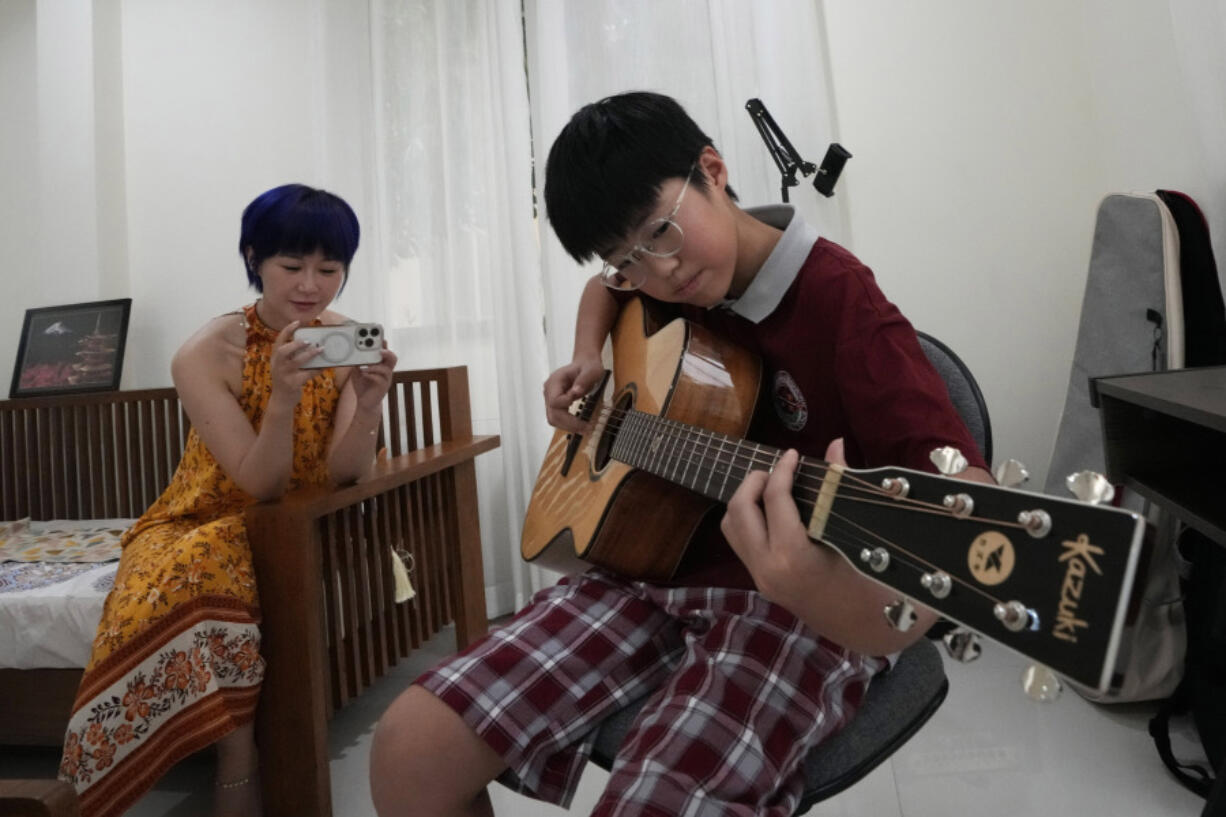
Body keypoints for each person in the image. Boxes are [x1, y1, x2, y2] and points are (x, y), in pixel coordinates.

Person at [369, 91, 993, 816]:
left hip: (796, 603)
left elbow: (966, 495)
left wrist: (821, 586)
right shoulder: (668, 277)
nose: (658, 273)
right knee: (409, 748)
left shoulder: (842, 299)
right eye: (628, 258)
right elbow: (601, 289)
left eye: (659, 233)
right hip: (648, 566)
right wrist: (585, 362)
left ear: (714, 170)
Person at [59, 183, 397, 817]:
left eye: (330, 269)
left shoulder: (347, 339)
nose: (311, 286)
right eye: (291, 266)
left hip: (302, 515)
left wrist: (371, 402)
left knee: (232, 556)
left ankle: (233, 747)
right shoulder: (205, 353)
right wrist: (283, 396)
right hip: (206, 513)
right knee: (203, 565)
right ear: (253, 258)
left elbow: (345, 473)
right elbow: (255, 484)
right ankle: (237, 750)